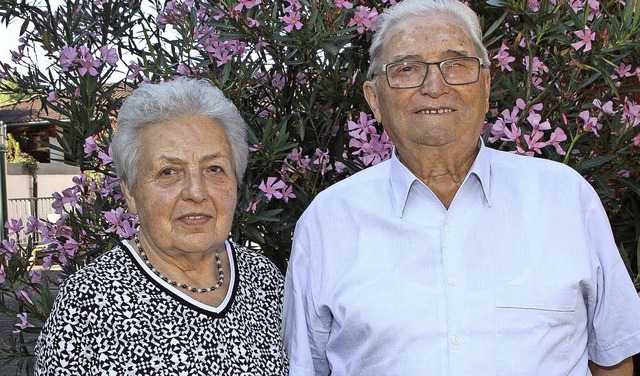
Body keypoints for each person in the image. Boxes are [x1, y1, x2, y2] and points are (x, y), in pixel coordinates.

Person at [282, 0, 640, 375]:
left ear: (486, 86)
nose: (435, 87)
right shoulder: (327, 221)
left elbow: (613, 358)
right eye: (407, 68)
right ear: (375, 98)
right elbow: (306, 367)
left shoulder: (565, 197)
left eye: (456, 65)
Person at [35, 78, 288, 375]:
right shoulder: (86, 305)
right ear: (130, 193)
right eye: (168, 171)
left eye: (214, 169)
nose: (196, 191)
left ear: (236, 181)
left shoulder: (264, 279)